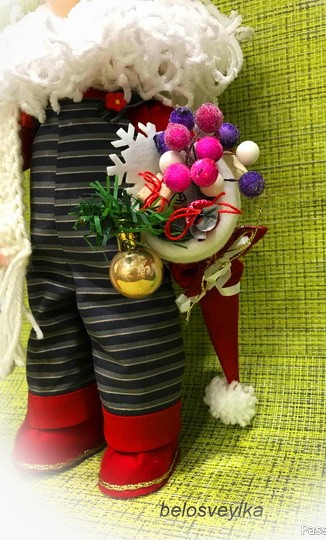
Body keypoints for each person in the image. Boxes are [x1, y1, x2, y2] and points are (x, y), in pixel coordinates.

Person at [0, 0, 250, 498]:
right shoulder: (30, 82)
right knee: (50, 317)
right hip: (46, 242)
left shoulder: (143, 75)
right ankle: (62, 417)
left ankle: (142, 433)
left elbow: (181, 148)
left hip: (123, 240)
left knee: (129, 319)